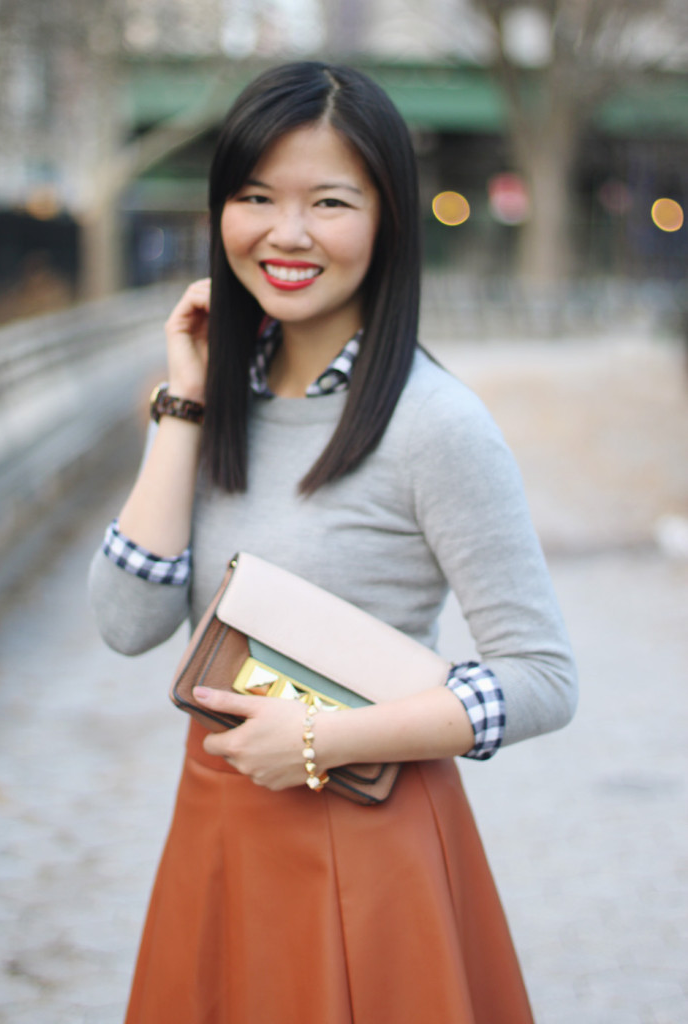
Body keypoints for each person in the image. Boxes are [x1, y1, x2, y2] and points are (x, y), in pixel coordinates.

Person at [89, 61, 577, 1024]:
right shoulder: (213, 399)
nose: (287, 232)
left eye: (329, 202)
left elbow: (542, 676)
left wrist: (322, 740)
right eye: (255, 196)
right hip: (217, 823)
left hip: (363, 835)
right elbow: (126, 623)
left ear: (386, 220)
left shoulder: (435, 424)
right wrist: (183, 402)